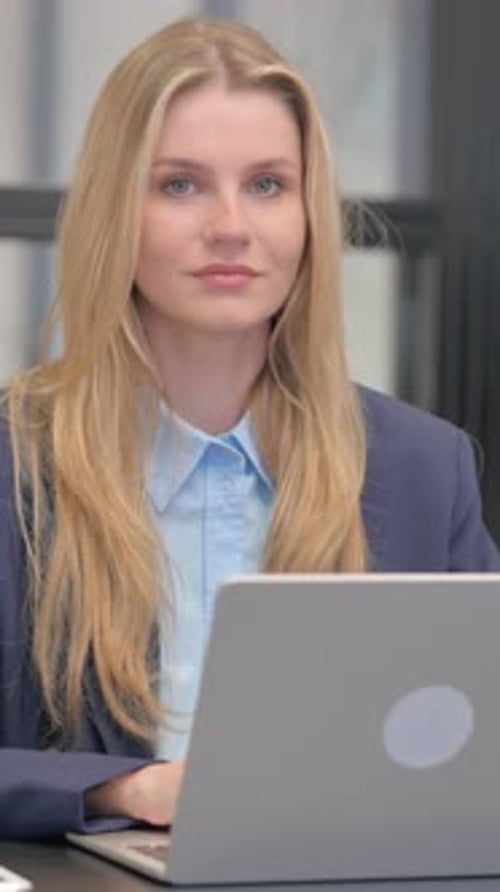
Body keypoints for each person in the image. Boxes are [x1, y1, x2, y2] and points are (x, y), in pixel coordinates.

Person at [0, 16, 498, 841]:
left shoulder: (422, 467)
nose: (230, 225)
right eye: (180, 185)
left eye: (267, 184)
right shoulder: (15, 460)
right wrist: (121, 789)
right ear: (113, 209)